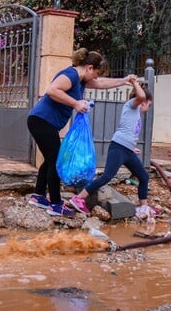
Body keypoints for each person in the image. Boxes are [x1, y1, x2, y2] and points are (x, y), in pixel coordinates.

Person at [27, 48, 135, 216]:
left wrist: (124, 80)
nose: (96, 78)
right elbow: (52, 90)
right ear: (89, 67)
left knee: (50, 159)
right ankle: (55, 204)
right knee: (55, 161)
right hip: (41, 121)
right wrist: (76, 103)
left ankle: (38, 196)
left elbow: (100, 84)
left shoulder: (81, 80)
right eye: (96, 73)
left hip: (43, 122)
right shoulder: (71, 75)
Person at [68, 76, 157, 219]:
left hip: (127, 150)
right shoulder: (131, 105)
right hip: (119, 147)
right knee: (107, 176)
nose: (148, 108)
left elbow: (129, 131)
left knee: (143, 176)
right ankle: (79, 198)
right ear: (144, 102)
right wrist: (134, 83)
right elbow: (140, 95)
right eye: (149, 104)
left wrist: (132, 147)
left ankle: (143, 207)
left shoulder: (135, 113)